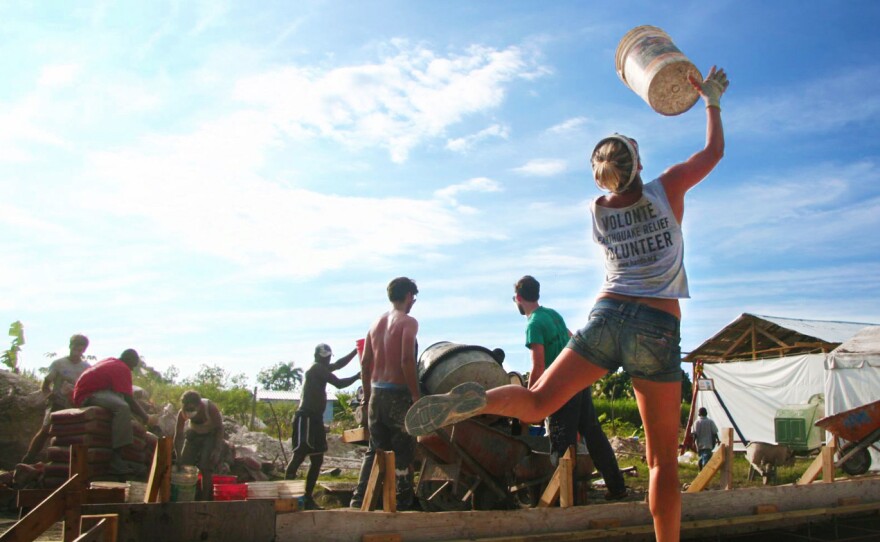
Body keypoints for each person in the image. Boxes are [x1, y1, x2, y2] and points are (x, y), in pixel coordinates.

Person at [407, 68, 729, 541]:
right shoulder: (669, 188)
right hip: (656, 325)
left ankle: (473, 404)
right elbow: (714, 152)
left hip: (605, 315)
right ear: (638, 163)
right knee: (661, 461)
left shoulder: (597, 211)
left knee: (537, 404)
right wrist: (712, 100)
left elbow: (621, 188)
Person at [513, 275, 627, 501]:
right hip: (578, 382)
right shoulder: (553, 315)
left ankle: (565, 499)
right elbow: (573, 339)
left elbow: (538, 366)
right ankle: (617, 488)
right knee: (594, 435)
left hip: (559, 388)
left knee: (561, 442)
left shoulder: (534, 323)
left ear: (518, 298)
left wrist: (531, 399)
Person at [350, 277, 420, 510]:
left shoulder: (375, 323)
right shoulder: (408, 322)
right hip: (398, 396)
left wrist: (367, 397)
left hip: (376, 395)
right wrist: (416, 396)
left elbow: (366, 362)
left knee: (375, 450)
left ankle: (359, 500)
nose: (413, 303)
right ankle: (403, 504)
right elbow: (407, 360)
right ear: (409, 295)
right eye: (413, 298)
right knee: (402, 452)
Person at [284, 343, 360, 510]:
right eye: (327, 358)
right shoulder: (317, 368)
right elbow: (339, 384)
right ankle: (285, 495)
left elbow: (338, 364)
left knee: (317, 459)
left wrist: (355, 351)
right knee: (300, 453)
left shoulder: (321, 367)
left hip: (316, 419)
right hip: (306, 417)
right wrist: (357, 376)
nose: (329, 361)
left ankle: (308, 497)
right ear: (321, 357)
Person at [72, 348, 156, 475]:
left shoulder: (112, 362)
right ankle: (117, 458)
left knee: (122, 408)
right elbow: (128, 399)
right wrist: (146, 418)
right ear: (129, 359)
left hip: (89, 393)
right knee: (122, 407)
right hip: (88, 395)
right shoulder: (122, 368)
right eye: (133, 365)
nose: (132, 369)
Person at [21, 334, 92, 464]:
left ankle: (62, 463)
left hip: (74, 405)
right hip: (57, 402)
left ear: (84, 350)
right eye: (75, 346)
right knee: (46, 430)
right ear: (70, 346)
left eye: (81, 347)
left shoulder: (86, 367)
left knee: (71, 435)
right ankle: (28, 459)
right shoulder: (59, 364)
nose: (78, 350)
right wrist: (50, 395)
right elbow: (46, 384)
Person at [174, 390, 224, 501]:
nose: (189, 412)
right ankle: (187, 497)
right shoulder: (182, 413)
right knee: (184, 466)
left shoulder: (209, 408)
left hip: (210, 435)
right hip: (194, 434)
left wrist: (217, 449)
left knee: (206, 467)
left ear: (199, 405)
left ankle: (205, 500)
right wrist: (178, 456)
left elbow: (220, 428)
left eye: (192, 409)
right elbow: (179, 435)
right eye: (187, 409)